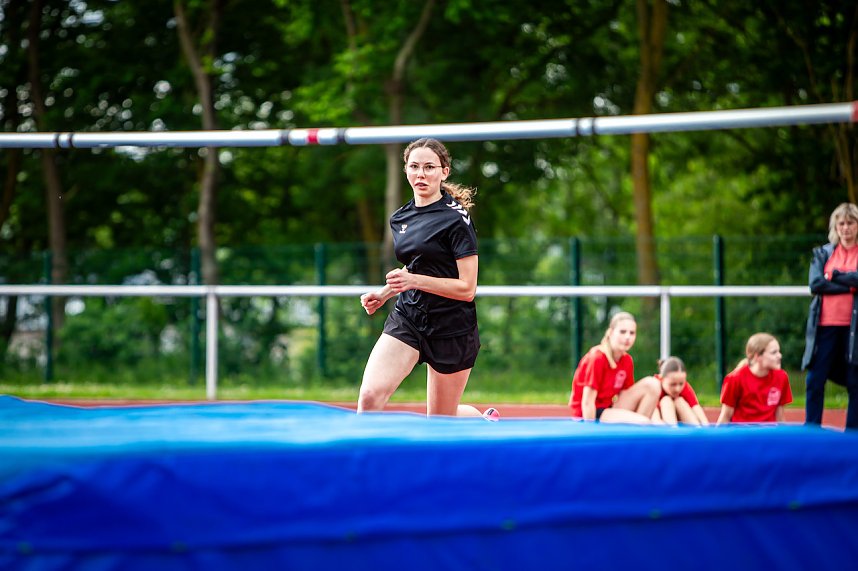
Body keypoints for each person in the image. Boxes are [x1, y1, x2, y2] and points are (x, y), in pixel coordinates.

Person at [357, 138, 492, 419]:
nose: (421, 174)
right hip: (410, 317)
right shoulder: (400, 218)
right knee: (369, 397)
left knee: (441, 423)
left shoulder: (457, 220)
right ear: (405, 170)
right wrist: (384, 294)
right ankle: (366, 463)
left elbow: (467, 289)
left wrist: (414, 281)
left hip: (452, 328)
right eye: (415, 167)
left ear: (444, 172)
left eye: (429, 167)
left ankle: (481, 421)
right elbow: (419, 266)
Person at [802, 202, 858, 430]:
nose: (846, 228)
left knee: (855, 382)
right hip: (825, 326)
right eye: (841, 223)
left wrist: (834, 276)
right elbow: (816, 284)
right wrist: (851, 283)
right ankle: (812, 429)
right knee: (815, 380)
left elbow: (827, 281)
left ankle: (853, 434)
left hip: (854, 329)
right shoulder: (823, 252)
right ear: (835, 226)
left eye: (851, 223)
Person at [568, 311, 661, 424]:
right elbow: (587, 402)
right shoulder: (597, 358)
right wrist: (591, 432)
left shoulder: (627, 360)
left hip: (609, 407)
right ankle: (636, 431)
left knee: (653, 384)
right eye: (622, 332)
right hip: (590, 412)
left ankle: (633, 433)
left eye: (632, 333)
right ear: (611, 332)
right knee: (643, 421)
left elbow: (627, 395)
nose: (627, 337)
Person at [717, 333, 792, 425]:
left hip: (768, 434)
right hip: (743, 435)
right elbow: (725, 416)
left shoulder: (782, 377)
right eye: (774, 352)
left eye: (779, 351)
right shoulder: (734, 379)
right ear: (757, 356)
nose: (779, 356)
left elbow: (780, 417)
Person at [643, 356, 709, 426]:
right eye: (673, 384)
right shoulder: (654, 387)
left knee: (679, 401)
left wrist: (705, 427)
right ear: (661, 379)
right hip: (661, 425)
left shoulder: (685, 387)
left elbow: (696, 407)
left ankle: (695, 431)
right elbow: (654, 417)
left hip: (682, 422)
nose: (677, 389)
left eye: (681, 383)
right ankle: (672, 431)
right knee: (666, 400)